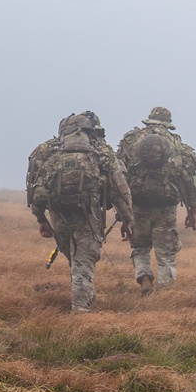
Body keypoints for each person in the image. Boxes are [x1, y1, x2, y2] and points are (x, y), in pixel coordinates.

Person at [27, 113, 133, 313]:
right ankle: (81, 312)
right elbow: (120, 189)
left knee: (75, 261)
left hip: (58, 215)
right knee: (83, 262)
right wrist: (127, 219)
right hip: (88, 215)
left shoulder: (46, 150)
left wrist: (41, 219)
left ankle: (85, 298)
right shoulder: (101, 151)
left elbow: (33, 187)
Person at [117, 107, 196, 295]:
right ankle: (165, 293)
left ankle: (144, 277)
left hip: (137, 206)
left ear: (150, 120)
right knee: (166, 253)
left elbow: (119, 178)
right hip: (166, 207)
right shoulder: (177, 144)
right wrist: (192, 212)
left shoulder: (130, 141)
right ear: (168, 123)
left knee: (139, 247)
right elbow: (188, 179)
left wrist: (122, 215)